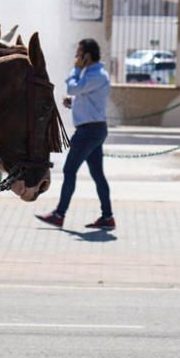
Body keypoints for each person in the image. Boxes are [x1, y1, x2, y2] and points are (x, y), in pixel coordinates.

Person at [36, 38, 115, 230]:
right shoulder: (93, 74)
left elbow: (73, 87)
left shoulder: (95, 74)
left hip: (89, 132)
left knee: (69, 171)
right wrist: (73, 103)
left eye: (79, 53)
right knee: (97, 174)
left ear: (87, 55)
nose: (76, 57)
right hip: (93, 129)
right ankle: (107, 217)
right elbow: (87, 99)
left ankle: (59, 214)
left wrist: (76, 69)